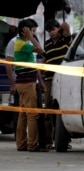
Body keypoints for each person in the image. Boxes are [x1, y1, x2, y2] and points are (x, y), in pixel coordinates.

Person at [13, 19, 44, 152]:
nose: (33, 34)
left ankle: (21, 144)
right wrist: (31, 37)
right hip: (26, 84)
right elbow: (40, 49)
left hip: (24, 83)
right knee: (32, 114)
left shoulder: (22, 44)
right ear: (24, 31)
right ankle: (32, 144)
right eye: (31, 31)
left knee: (23, 114)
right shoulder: (22, 44)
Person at [42, 19, 73, 149]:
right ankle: (49, 141)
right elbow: (45, 59)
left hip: (63, 79)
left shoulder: (65, 40)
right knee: (48, 110)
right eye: (49, 31)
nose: (51, 33)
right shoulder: (47, 44)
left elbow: (66, 26)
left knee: (63, 108)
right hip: (49, 79)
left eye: (53, 30)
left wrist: (60, 28)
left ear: (58, 29)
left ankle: (64, 140)